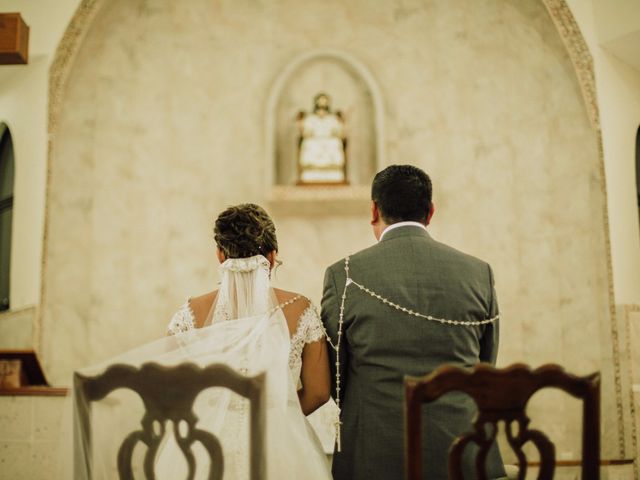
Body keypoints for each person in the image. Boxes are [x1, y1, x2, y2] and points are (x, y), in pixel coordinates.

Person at [71, 203, 333, 479]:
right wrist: (280, 415)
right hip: (281, 448)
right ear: (272, 255)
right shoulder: (300, 308)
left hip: (202, 448)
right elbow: (318, 392)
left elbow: (168, 390)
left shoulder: (190, 314)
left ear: (220, 255)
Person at [321, 165, 505, 479]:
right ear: (430, 212)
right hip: (462, 451)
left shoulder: (345, 274)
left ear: (374, 210)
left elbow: (335, 377)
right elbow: (484, 366)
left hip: (374, 451)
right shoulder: (479, 272)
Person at [297, 92, 347, 184]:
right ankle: (311, 170)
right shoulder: (310, 118)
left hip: (329, 140)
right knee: (309, 143)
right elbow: (306, 134)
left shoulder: (332, 118)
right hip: (314, 140)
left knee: (335, 143)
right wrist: (301, 125)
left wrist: (342, 124)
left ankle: (333, 170)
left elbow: (339, 133)